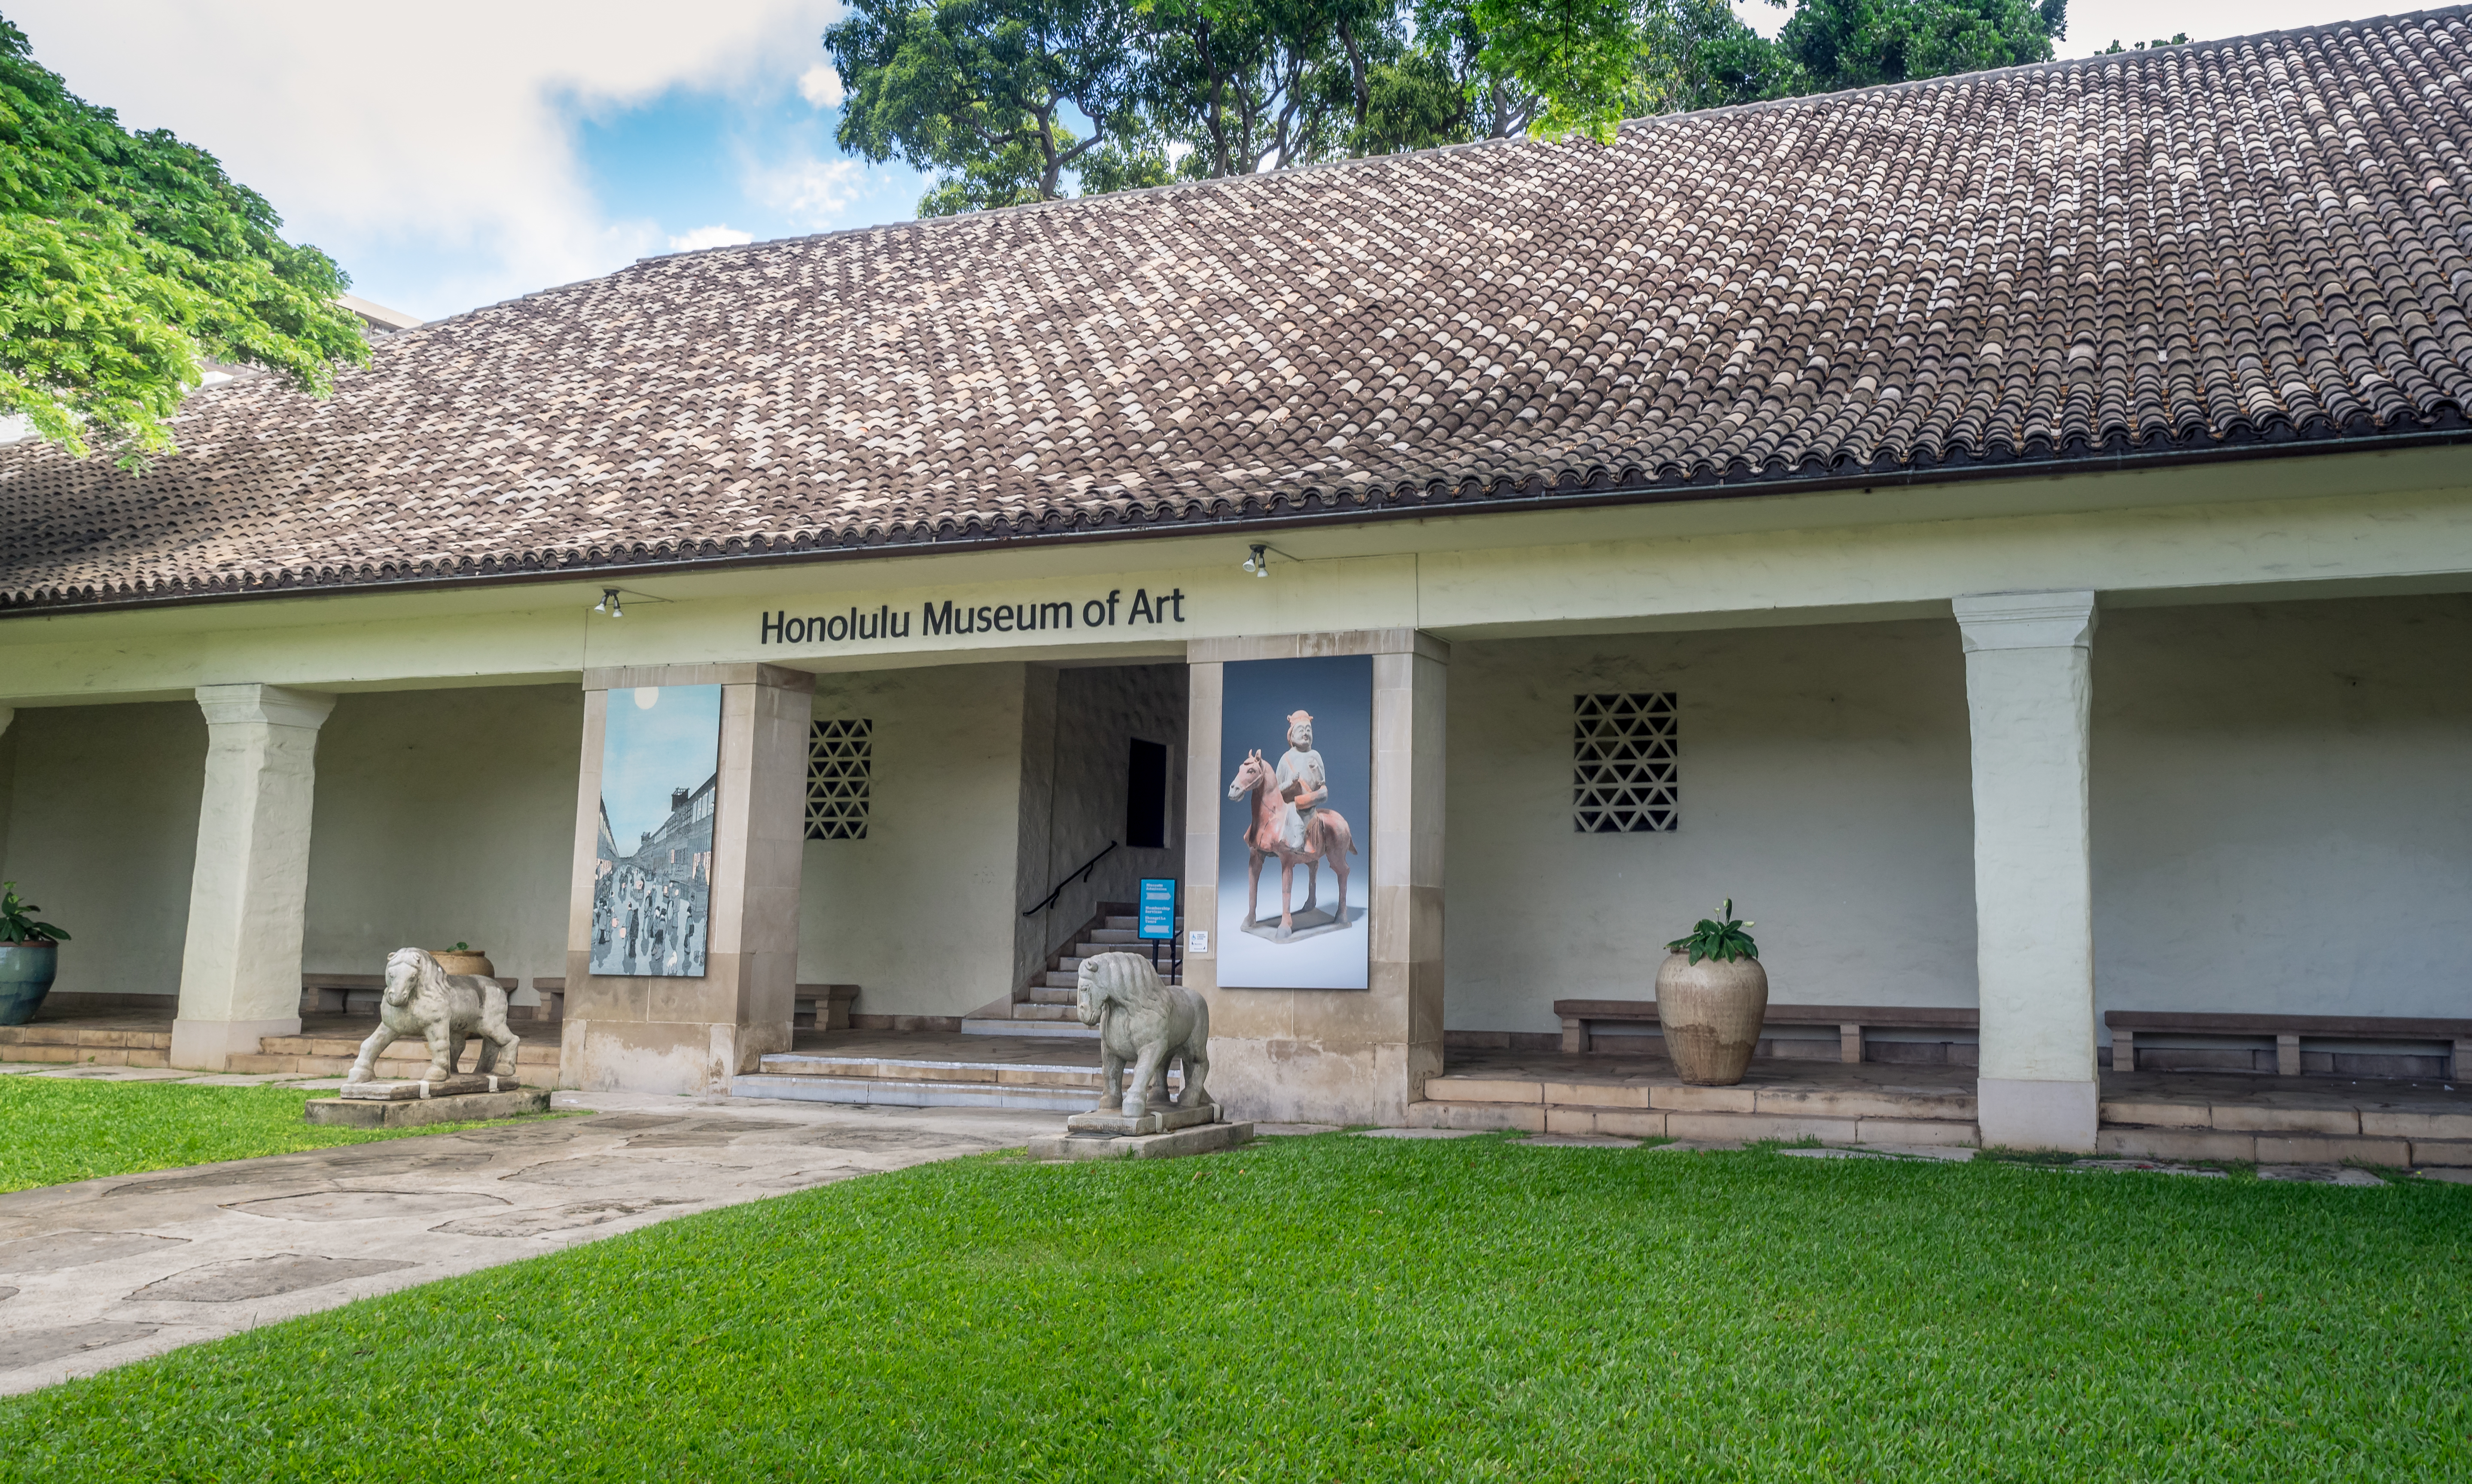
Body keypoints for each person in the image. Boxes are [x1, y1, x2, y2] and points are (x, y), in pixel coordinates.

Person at [1274, 709, 1327, 853]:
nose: (1306, 734)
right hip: (1290, 807)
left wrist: (1316, 770)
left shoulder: (1315, 756)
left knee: (1301, 808)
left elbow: (1322, 786)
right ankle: (1297, 840)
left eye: (1309, 730)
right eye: (1301, 730)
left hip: (1309, 804)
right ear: (1292, 736)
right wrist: (1291, 783)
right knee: (1292, 808)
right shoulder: (1286, 759)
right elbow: (1276, 790)